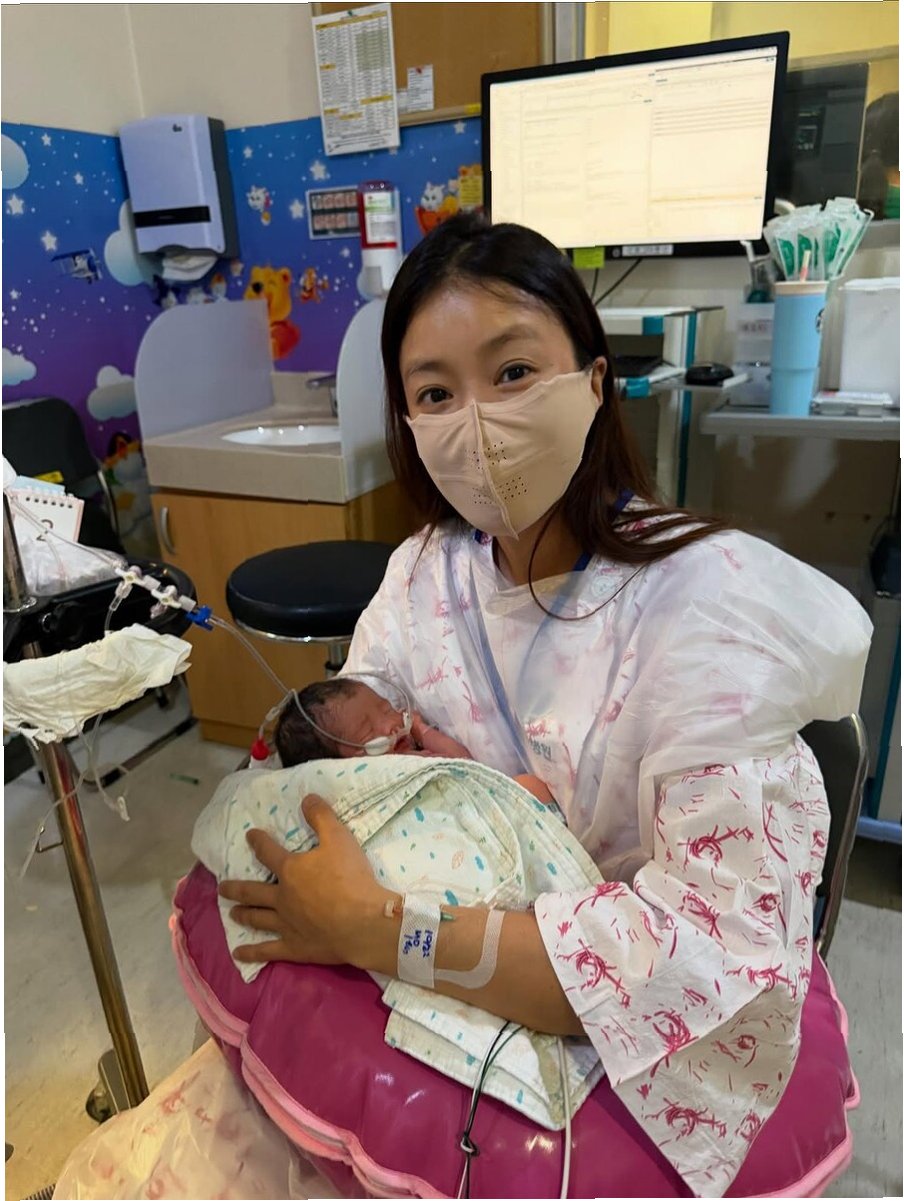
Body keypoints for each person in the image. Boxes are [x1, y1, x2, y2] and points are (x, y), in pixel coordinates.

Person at [220, 214, 871, 1196]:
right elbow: (351, 746)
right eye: (435, 393)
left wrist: (379, 927)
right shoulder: (422, 576)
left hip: (612, 1052)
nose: (476, 423)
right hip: (457, 999)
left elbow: (707, 962)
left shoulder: (706, 610)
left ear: (595, 380)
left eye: (513, 371)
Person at [272, 676, 557, 804]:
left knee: (533, 787)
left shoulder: (416, 753)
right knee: (531, 788)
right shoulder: (378, 778)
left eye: (387, 708)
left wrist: (422, 730)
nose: (390, 724)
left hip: (471, 804)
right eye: (368, 732)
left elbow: (465, 764)